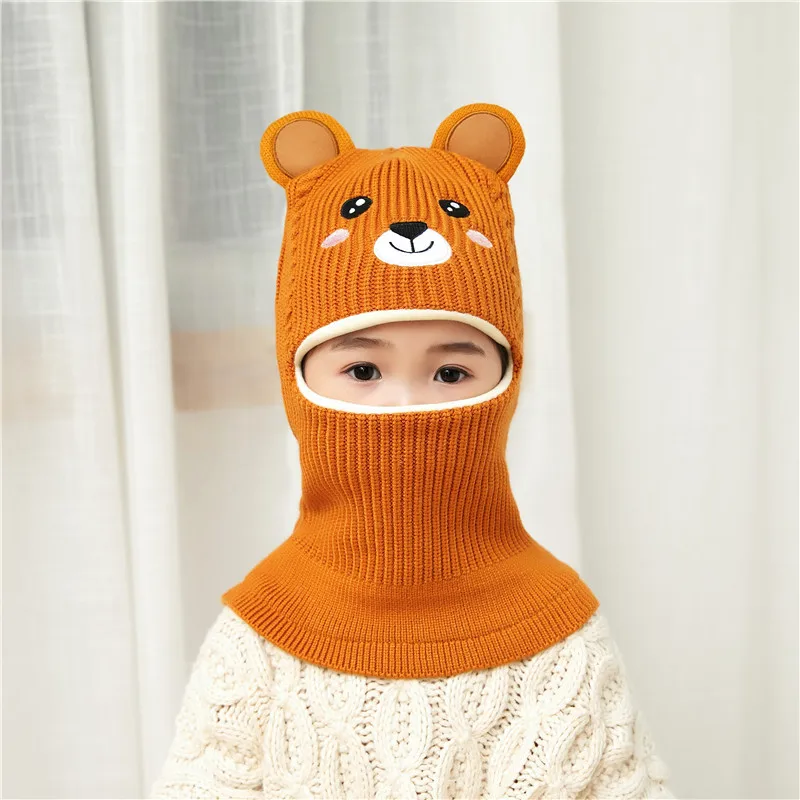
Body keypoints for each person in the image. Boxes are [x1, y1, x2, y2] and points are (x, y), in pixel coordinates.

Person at [151, 103, 674, 799]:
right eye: (363, 370)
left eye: (451, 373)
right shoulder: (261, 633)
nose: (405, 405)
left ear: (509, 378)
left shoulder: (561, 633)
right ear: (295, 377)